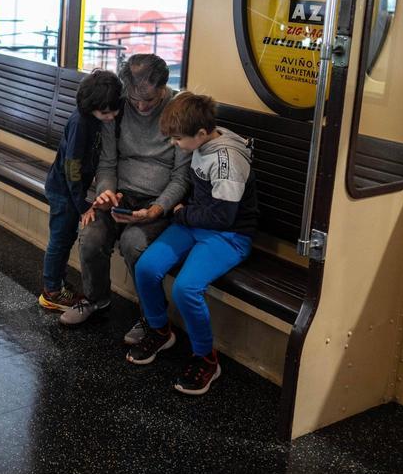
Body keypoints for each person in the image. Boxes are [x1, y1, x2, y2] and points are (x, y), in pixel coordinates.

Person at [125, 92, 258, 397]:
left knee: (187, 288)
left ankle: (206, 357)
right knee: (146, 266)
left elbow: (224, 217)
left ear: (200, 134)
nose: (174, 144)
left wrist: (182, 214)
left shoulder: (227, 159)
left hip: (230, 235)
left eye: (177, 139)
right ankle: (160, 330)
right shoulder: (201, 142)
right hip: (197, 222)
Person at [60, 54, 192, 331]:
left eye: (150, 101)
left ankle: (151, 317)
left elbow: (181, 178)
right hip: (120, 196)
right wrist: (106, 192)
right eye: (134, 100)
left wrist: (157, 209)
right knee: (91, 236)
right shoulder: (117, 109)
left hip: (157, 202)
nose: (141, 107)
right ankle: (96, 300)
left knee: (134, 244)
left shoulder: (179, 110)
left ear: (164, 88)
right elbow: (108, 163)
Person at [38, 69, 122, 311]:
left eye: (114, 110)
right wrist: (82, 204)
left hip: (72, 189)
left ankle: (58, 283)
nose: (111, 116)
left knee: (66, 238)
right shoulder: (80, 122)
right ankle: (52, 290)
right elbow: (72, 167)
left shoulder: (94, 118)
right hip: (64, 190)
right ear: (90, 106)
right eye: (106, 112)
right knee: (60, 240)